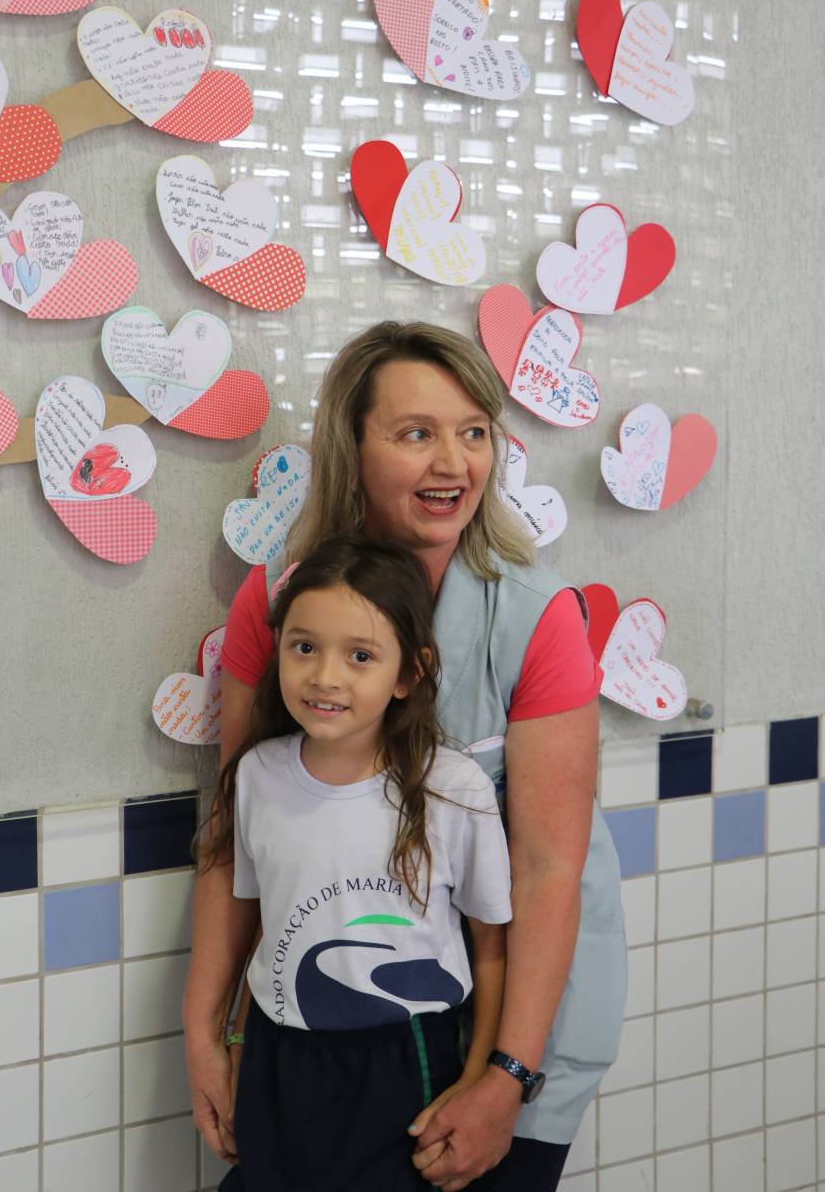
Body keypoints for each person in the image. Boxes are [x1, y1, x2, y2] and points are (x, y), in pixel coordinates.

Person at [185, 320, 626, 1192]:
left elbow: (547, 869)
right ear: (351, 445)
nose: (453, 464)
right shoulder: (279, 605)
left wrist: (507, 1076)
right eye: (417, 433)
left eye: (474, 433)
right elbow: (238, 830)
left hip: (521, 1005)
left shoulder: (535, 616)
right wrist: (206, 1031)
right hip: (332, 1035)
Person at [192, 535, 511, 1191]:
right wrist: (234, 1040)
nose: (325, 677)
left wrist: (482, 1073)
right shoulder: (257, 775)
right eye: (304, 647)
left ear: (409, 673)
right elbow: (269, 927)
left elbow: (491, 946)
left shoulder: (453, 789)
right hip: (279, 1054)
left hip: (404, 1061)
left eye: (360, 655)